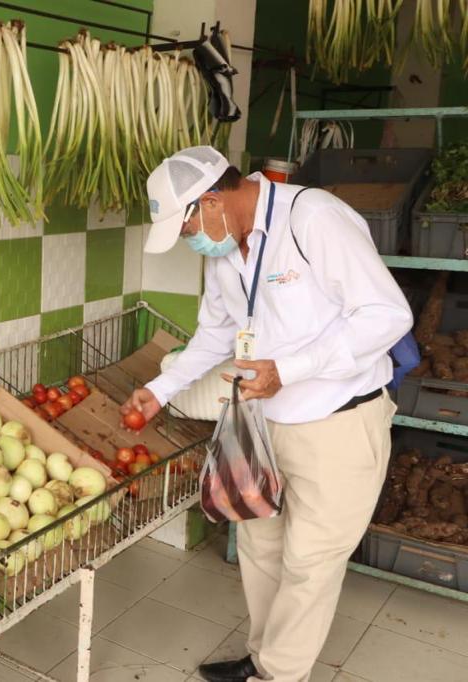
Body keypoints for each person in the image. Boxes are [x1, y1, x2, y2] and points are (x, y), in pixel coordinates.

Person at [124, 146, 413, 682]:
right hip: (263, 422)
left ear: (212, 200)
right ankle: (262, 658)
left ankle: (281, 675)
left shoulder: (315, 219)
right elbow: (215, 335)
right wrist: (159, 390)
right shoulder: (226, 250)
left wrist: (292, 367)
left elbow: (387, 315)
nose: (190, 241)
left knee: (309, 563)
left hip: (338, 423)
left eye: (186, 227)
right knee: (260, 546)